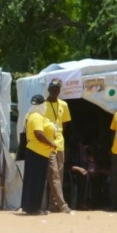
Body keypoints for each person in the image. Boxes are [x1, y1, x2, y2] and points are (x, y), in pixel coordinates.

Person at [22, 94, 56, 215]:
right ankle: (34, 208)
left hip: (37, 152)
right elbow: (39, 134)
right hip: (37, 152)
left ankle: (30, 207)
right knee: (37, 181)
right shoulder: (36, 117)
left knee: (32, 180)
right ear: (42, 105)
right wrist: (51, 143)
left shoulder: (32, 115)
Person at [43, 78, 72, 213]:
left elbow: (64, 124)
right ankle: (61, 204)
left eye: (57, 90)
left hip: (59, 143)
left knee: (58, 175)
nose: (54, 92)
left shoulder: (64, 105)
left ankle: (53, 204)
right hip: (46, 144)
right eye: (52, 89)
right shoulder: (42, 104)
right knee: (53, 174)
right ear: (48, 89)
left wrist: (57, 135)